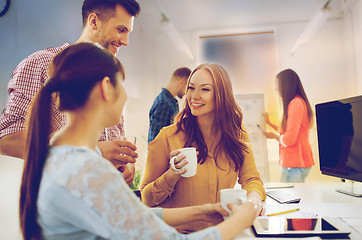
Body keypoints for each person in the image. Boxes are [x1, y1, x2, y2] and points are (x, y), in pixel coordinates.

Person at [19, 43, 261, 240]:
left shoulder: (65, 154)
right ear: (106, 88)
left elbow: (133, 217)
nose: (195, 96)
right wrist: (242, 219)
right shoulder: (87, 170)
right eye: (123, 84)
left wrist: (205, 210)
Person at [0, 0, 140, 186]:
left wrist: (127, 168)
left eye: (128, 33)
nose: (126, 42)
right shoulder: (41, 64)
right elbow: (7, 138)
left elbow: (116, 138)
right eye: (121, 30)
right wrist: (91, 150)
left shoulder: (111, 74)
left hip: (104, 200)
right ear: (93, 22)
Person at [140, 63, 266, 233]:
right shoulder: (167, 137)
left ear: (222, 95)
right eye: (191, 88)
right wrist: (172, 174)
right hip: (177, 235)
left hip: (222, 232)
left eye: (205, 89)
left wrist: (252, 204)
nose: (194, 96)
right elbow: (146, 199)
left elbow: (251, 180)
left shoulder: (237, 134)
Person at [262, 69, 314, 183]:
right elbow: (288, 130)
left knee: (289, 199)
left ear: (285, 85)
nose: (275, 88)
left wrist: (275, 136)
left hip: (295, 164)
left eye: (277, 84)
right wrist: (269, 123)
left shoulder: (295, 104)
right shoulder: (297, 102)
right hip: (296, 164)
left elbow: (289, 139)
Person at [148, 67, 191, 144]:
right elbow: (156, 140)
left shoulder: (171, 101)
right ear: (181, 83)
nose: (186, 92)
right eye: (187, 87)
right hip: (162, 155)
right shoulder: (164, 103)